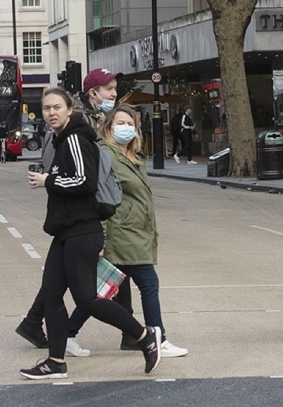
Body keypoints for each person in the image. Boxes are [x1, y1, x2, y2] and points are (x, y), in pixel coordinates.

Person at [21, 88, 162, 379]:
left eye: (57, 107)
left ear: (69, 109)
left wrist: (50, 180)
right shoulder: (63, 137)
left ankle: (144, 336)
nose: (51, 113)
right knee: (51, 295)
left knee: (87, 299)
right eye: (46, 108)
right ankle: (56, 362)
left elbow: (85, 181)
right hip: (66, 230)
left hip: (81, 230)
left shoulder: (74, 137)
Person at [16, 68, 136, 350]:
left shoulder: (94, 119)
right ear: (93, 92)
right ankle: (136, 335)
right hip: (83, 214)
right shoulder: (78, 125)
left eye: (114, 88)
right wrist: (53, 180)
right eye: (108, 88)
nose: (113, 94)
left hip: (81, 214)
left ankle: (39, 326)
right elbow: (77, 173)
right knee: (85, 287)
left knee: (66, 280)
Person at [63, 104, 188, 358]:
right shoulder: (104, 154)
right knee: (148, 283)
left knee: (100, 291)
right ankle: (158, 339)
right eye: (120, 123)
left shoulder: (134, 157)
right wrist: (103, 238)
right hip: (121, 233)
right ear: (108, 127)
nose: (126, 128)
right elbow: (101, 198)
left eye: (130, 124)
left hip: (136, 232)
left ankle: (66, 333)